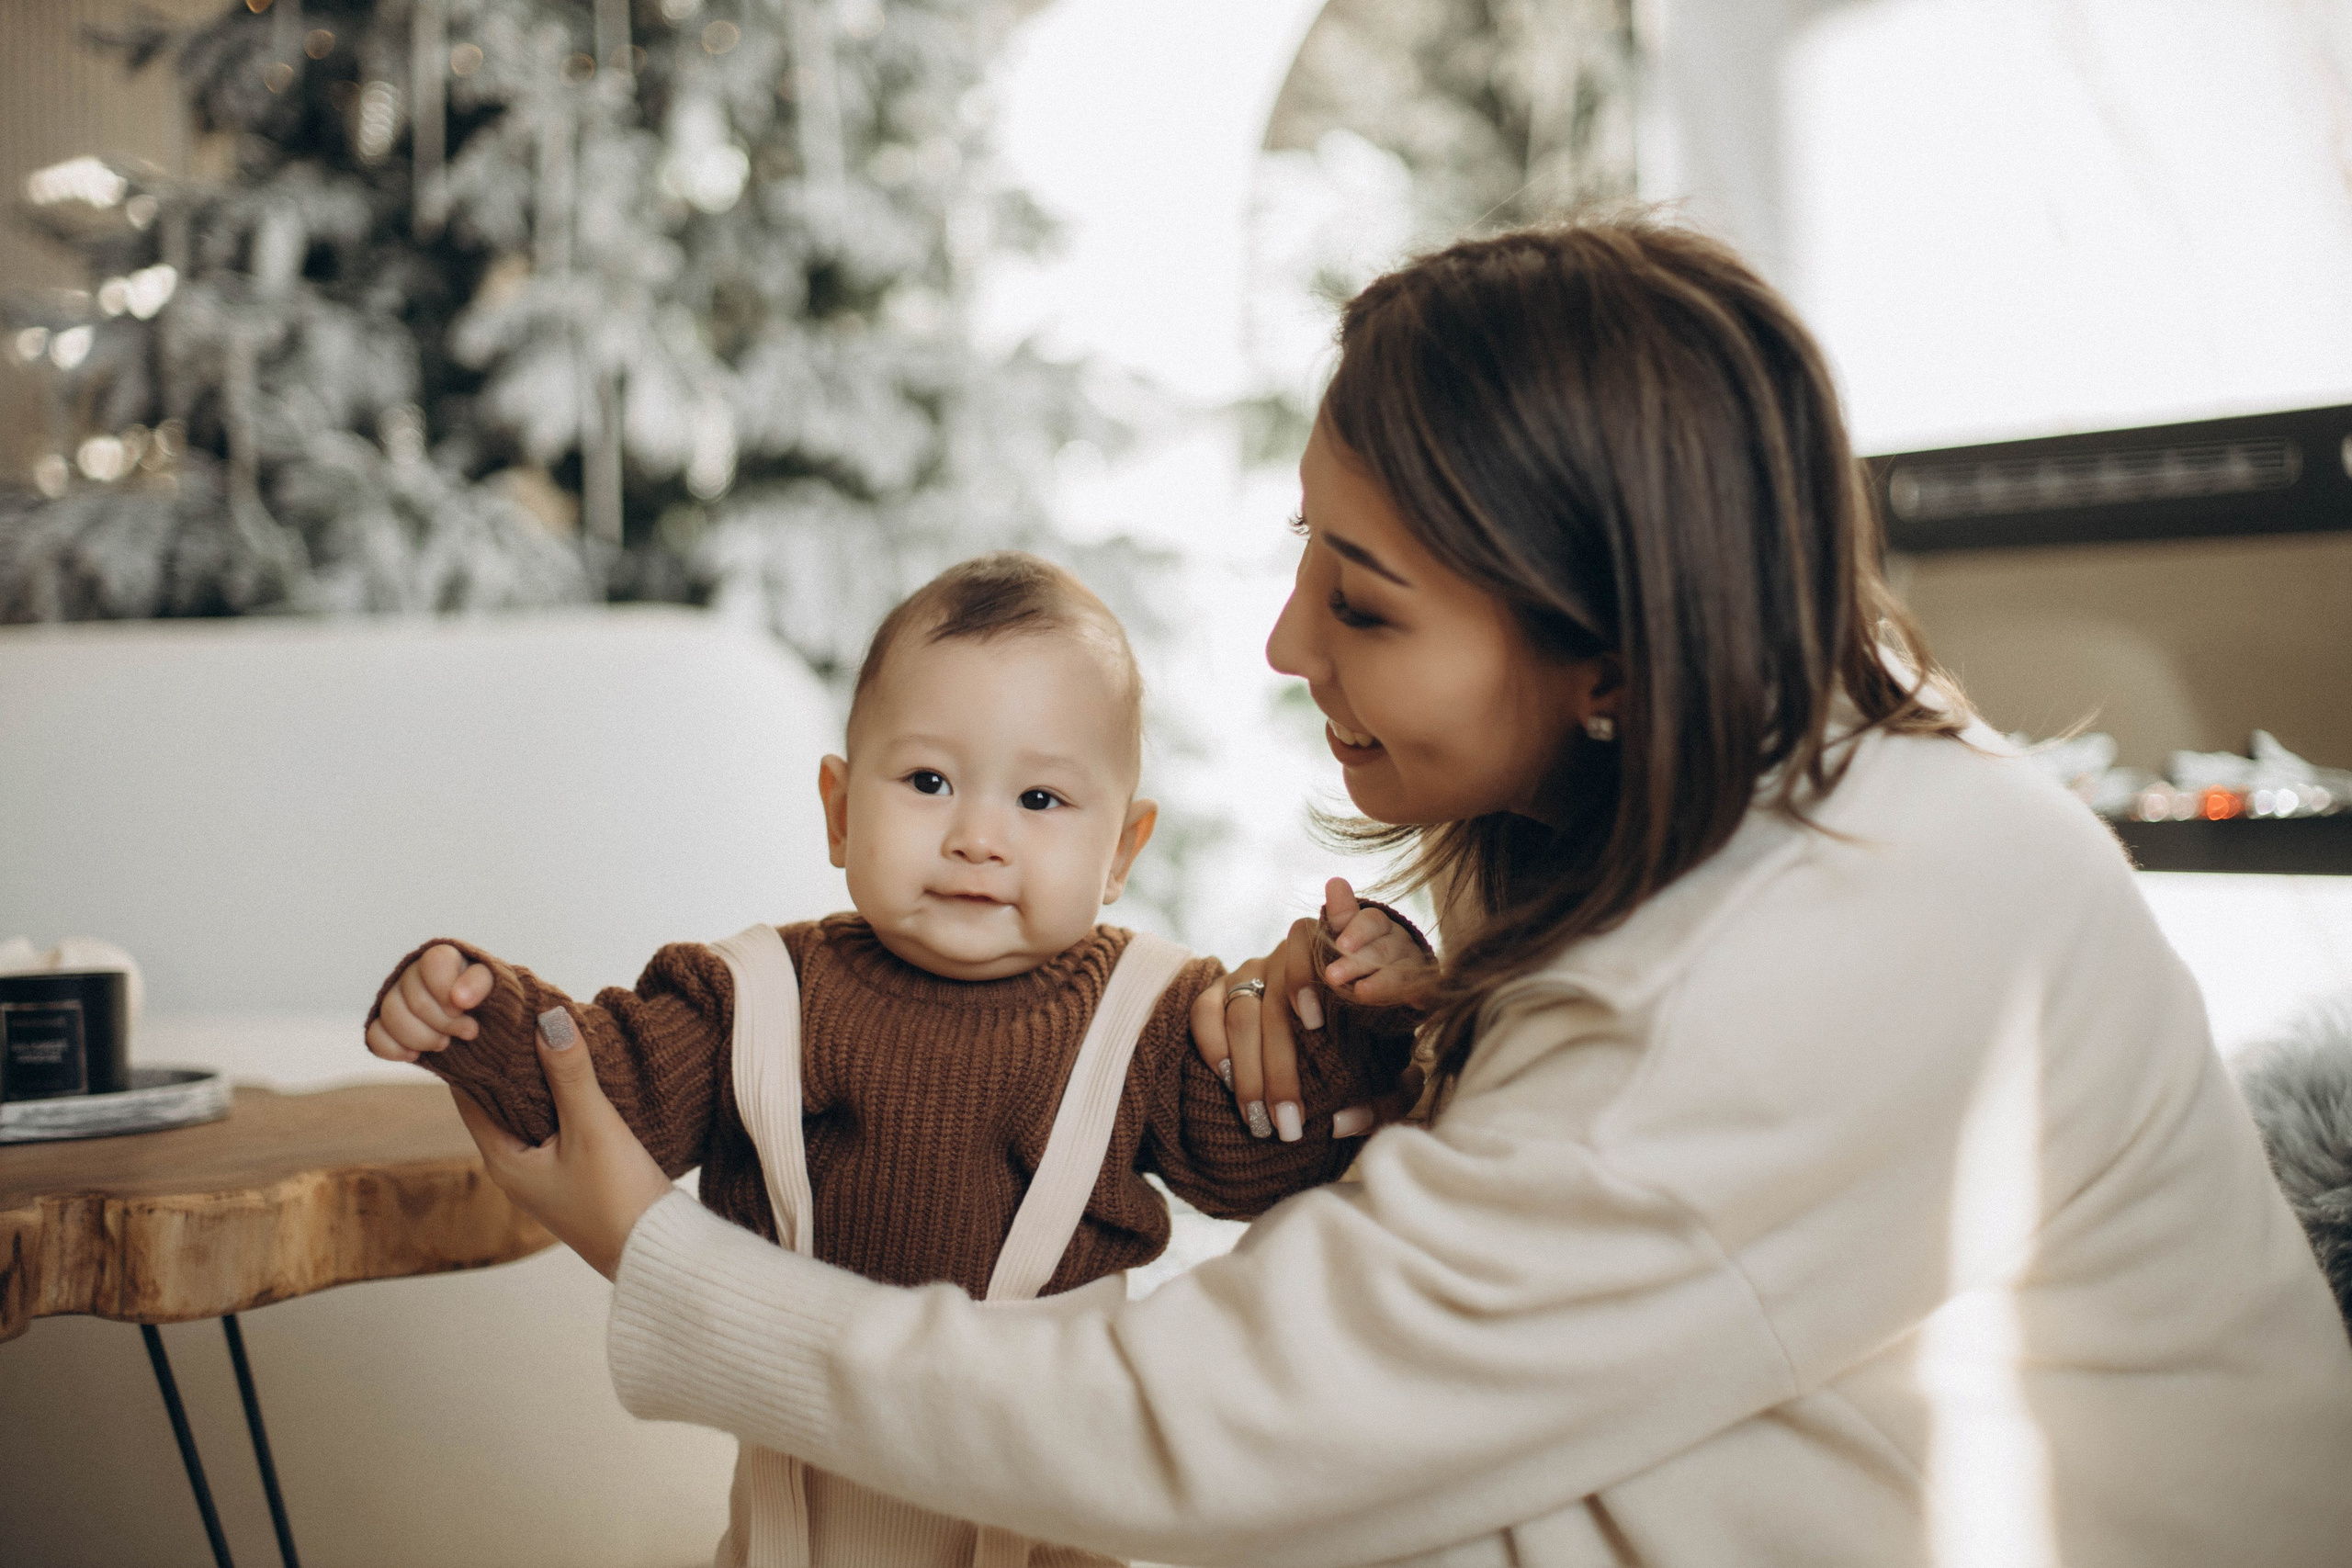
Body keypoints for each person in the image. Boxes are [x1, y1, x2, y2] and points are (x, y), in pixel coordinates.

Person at [452, 220, 2352, 1567]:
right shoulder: (1763, 824)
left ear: (1612, 654)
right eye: (1305, 561)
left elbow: (1191, 1420)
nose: (1285, 644)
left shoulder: (1820, 962)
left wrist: (661, 1254)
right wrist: (1384, 1074)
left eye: (1360, 601)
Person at [361, 552, 1431, 1567]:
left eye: (1040, 800)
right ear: (837, 809)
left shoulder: (1154, 1018)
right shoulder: (755, 997)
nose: (976, 835)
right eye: (926, 781)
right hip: (795, 1533)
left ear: (1123, 851)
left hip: (1046, 1529)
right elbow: (607, 1089)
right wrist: (479, 1012)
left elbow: (1260, 1157)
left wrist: (1346, 1013)